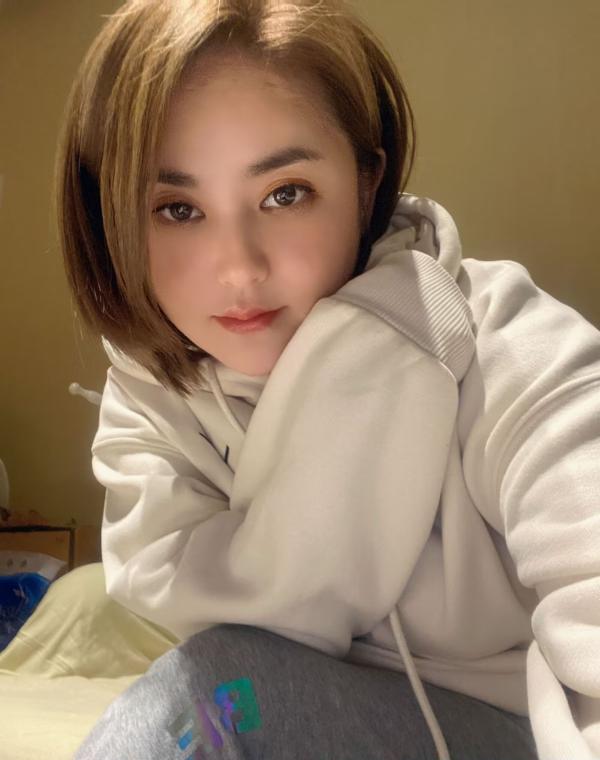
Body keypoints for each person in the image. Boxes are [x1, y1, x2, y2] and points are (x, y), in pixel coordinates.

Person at [54, 1, 600, 758]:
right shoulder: (149, 410)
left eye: (285, 194)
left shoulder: (503, 342)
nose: (239, 269)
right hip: (285, 715)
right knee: (195, 708)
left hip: (518, 730)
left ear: (366, 185)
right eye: (177, 209)